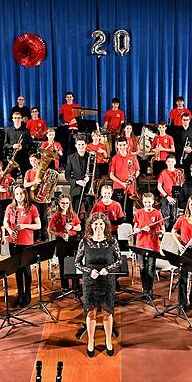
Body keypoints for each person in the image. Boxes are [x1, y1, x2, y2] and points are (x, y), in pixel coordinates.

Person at [74, 212, 121, 357]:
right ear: (91, 226)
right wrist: (89, 270)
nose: (99, 227)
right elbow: (77, 262)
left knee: (107, 312)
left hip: (107, 281)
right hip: (90, 282)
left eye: (101, 224)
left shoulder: (112, 241)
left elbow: (119, 260)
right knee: (91, 312)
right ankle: (91, 340)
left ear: (105, 225)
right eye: (96, 224)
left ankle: (108, 340)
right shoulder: (85, 241)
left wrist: (108, 269)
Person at [3, 186, 41, 307]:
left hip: (27, 242)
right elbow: (5, 222)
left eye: (21, 193)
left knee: (26, 270)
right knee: (17, 269)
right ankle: (19, 294)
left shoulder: (32, 208)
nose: (19, 196)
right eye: (17, 194)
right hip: (14, 242)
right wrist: (9, 231)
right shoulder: (10, 207)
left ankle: (27, 294)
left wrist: (25, 226)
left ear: (25, 194)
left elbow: (39, 226)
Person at [49, 195, 82, 294]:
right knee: (63, 264)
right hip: (61, 241)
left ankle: (76, 285)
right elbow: (49, 230)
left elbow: (79, 228)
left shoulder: (72, 214)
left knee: (74, 262)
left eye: (67, 203)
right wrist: (60, 233)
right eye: (63, 203)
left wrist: (71, 227)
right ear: (59, 203)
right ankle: (65, 286)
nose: (65, 205)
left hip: (72, 240)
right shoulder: (56, 215)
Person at [133, 193, 164, 297]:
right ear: (142, 201)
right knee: (142, 267)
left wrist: (152, 230)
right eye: (145, 202)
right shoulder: (139, 213)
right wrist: (138, 229)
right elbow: (135, 228)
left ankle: (150, 290)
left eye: (149, 202)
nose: (147, 204)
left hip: (153, 243)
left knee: (151, 267)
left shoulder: (157, 213)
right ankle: (144, 288)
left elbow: (163, 231)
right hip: (140, 243)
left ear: (153, 202)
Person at [67, 135, 98, 217]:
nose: (81, 147)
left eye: (83, 145)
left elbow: (97, 172)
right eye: (79, 145)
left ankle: (88, 227)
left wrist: (89, 178)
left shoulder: (91, 157)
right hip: (76, 188)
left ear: (86, 145)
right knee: (75, 210)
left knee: (90, 210)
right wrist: (77, 182)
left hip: (88, 188)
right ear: (76, 145)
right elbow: (67, 175)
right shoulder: (71, 158)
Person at [109, 138, 140, 218]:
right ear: (117, 146)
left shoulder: (133, 157)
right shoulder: (114, 158)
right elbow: (111, 175)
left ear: (127, 145)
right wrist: (122, 183)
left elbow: (137, 171)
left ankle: (129, 228)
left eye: (123, 145)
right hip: (118, 187)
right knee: (118, 210)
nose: (122, 147)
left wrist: (132, 179)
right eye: (120, 145)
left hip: (130, 187)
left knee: (129, 210)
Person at [157, 155, 184, 231]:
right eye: (168, 161)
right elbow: (159, 187)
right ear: (166, 162)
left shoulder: (179, 172)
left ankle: (174, 231)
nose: (170, 163)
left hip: (176, 196)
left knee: (174, 215)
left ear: (175, 162)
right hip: (165, 197)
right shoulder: (163, 173)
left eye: (172, 161)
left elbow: (182, 185)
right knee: (166, 215)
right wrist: (167, 197)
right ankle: (166, 231)